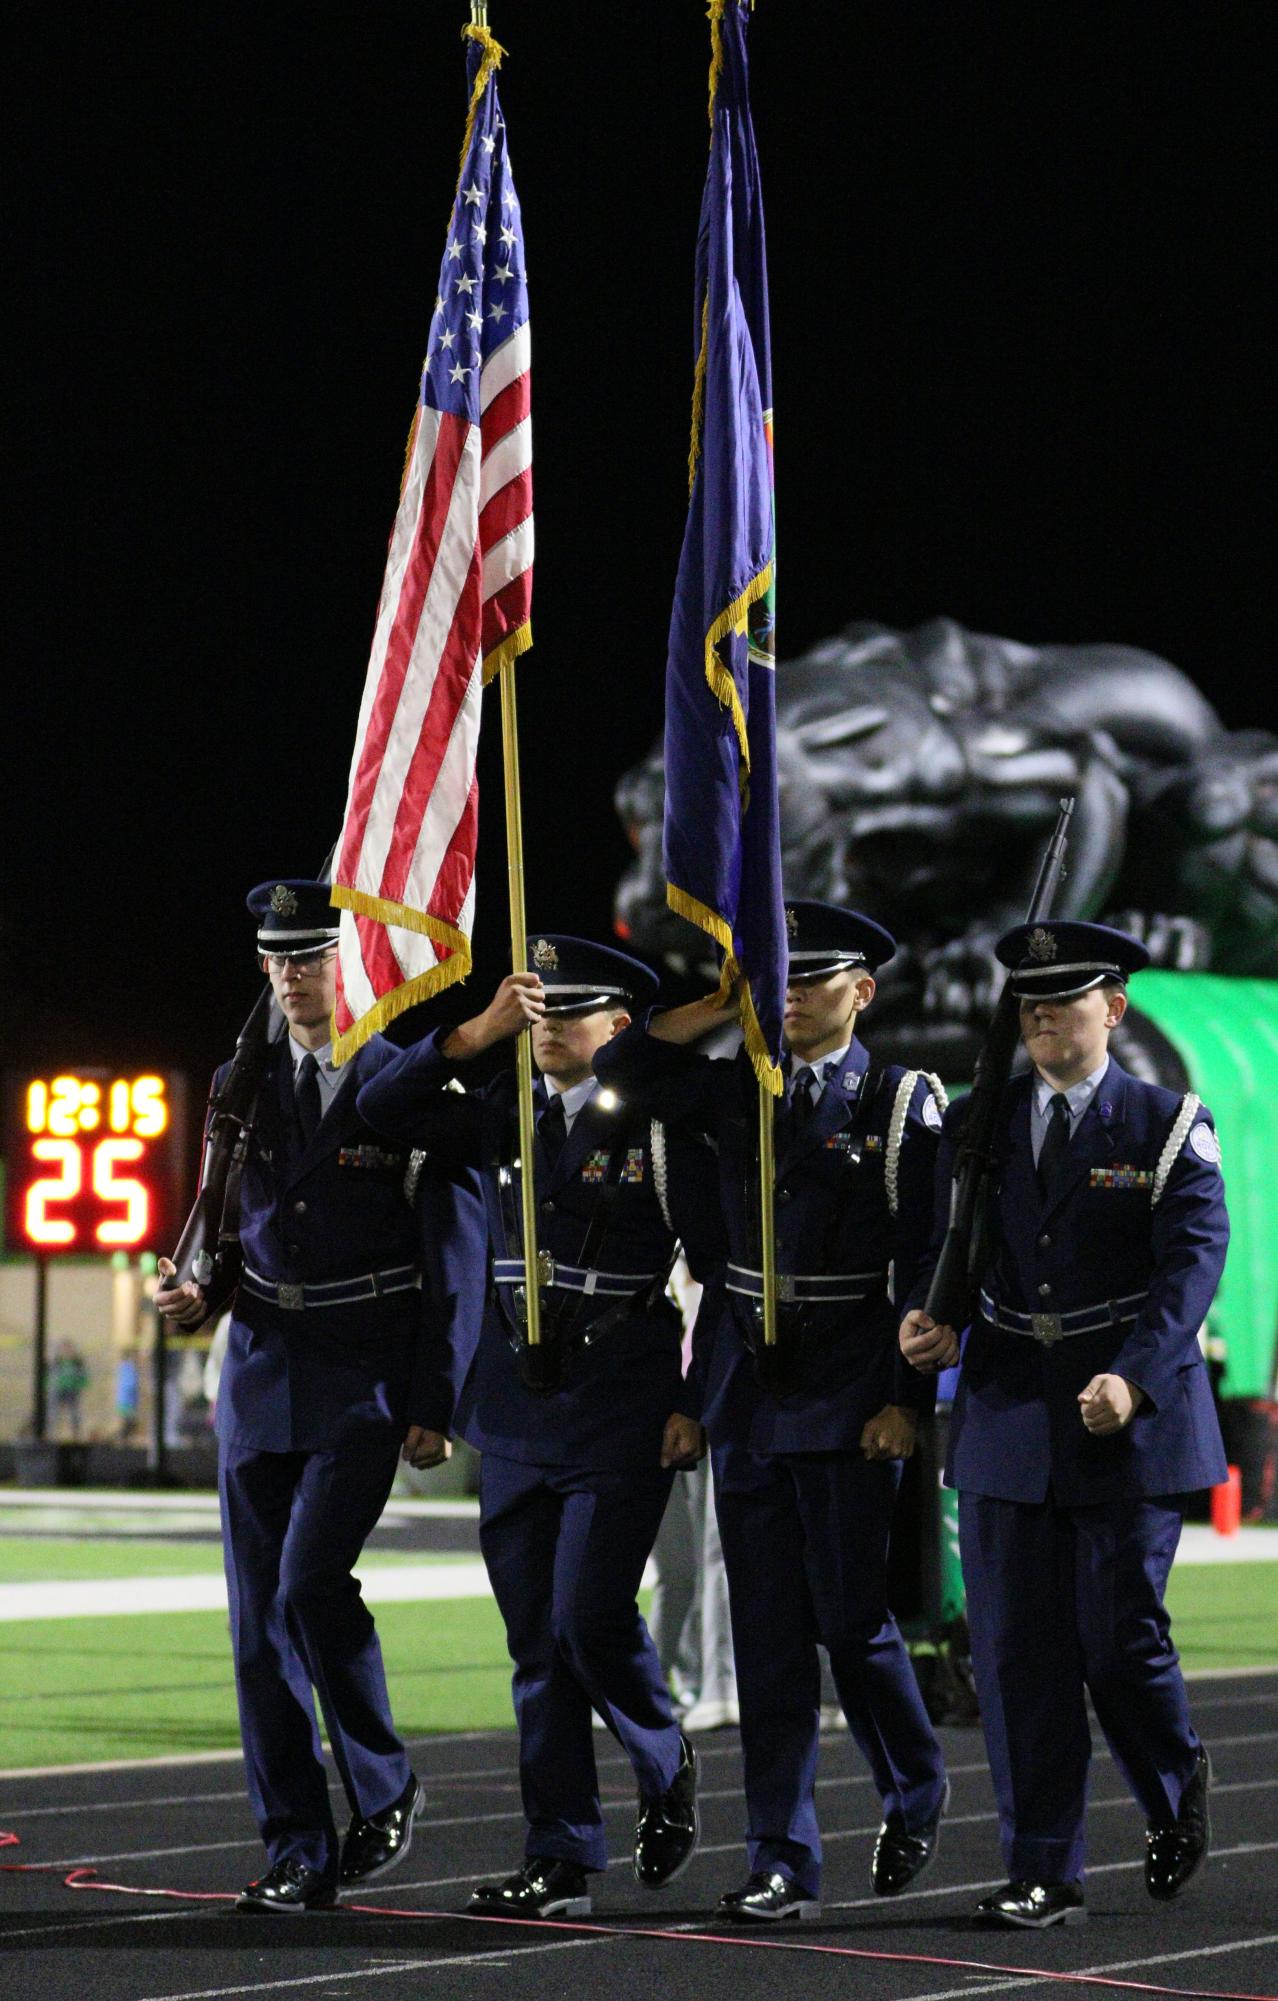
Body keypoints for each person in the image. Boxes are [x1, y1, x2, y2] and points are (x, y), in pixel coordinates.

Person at [356, 937, 725, 1919]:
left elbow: (725, 1274)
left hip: (622, 1402)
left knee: (587, 1618)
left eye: (575, 1010)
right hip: (517, 1407)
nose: (551, 1024)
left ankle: (661, 1751)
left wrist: (697, 1403)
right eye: (542, 1008)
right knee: (534, 1645)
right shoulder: (501, 1113)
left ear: (622, 1026)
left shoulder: (660, 1125)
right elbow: (380, 1107)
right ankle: (559, 1854)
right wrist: (477, 1030)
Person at [595, 902, 950, 1923]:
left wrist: (905, 1399)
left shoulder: (897, 1102)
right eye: (779, 978)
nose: (790, 996)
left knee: (851, 1622)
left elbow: (928, 1262)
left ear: (862, 992)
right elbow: (630, 1072)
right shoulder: (736, 1089)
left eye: (809, 978)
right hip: (750, 1390)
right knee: (768, 1640)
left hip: (850, 1387)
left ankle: (915, 1780)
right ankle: (780, 1858)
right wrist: (719, 997)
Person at [156, 879, 485, 1915]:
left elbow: (456, 1250)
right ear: (264, 966)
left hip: (363, 1370)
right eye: (280, 958)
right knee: (256, 1628)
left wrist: (438, 1394)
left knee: (306, 1585)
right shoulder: (237, 1081)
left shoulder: (400, 1080)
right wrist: (194, 1295)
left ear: (351, 965)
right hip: (259, 1369)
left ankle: (383, 1780)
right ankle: (298, 1843)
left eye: (313, 956)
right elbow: (221, 1220)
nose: (296, 975)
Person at [900, 920, 1229, 1929]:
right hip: (1006, 1412)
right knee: (1015, 1655)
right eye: (1030, 1005)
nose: (1045, 1018)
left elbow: (1191, 1269)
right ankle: (1043, 1866)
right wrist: (932, 1319)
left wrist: (1132, 1377)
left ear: (1113, 1009)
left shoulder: (1167, 1123)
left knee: (1118, 1642)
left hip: (1126, 1419)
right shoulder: (977, 1121)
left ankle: (1173, 1789)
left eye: (1066, 1001)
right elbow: (946, 1240)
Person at [49, 1342, 89, 1438]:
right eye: (64, 1349)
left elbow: (83, 1376)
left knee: (74, 1412)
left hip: (72, 1390)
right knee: (55, 1412)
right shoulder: (57, 1361)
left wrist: (81, 1385)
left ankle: (76, 1434)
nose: (67, 1352)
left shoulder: (77, 1362)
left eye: (69, 1349)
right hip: (59, 1389)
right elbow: (51, 1375)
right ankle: (51, 1433)